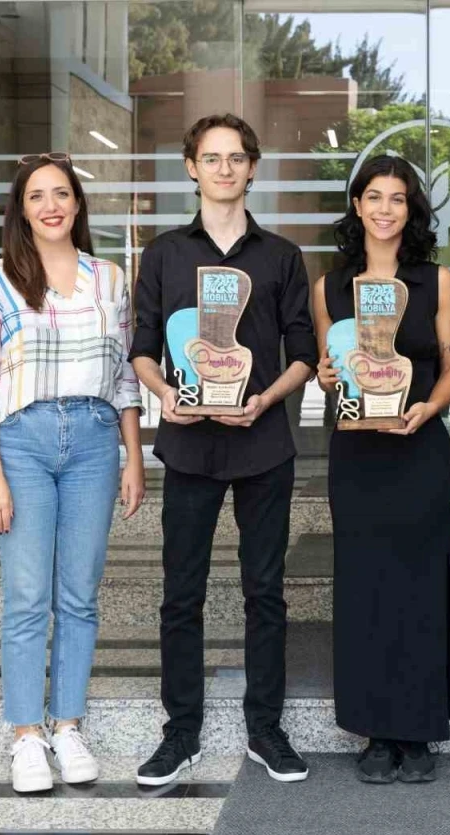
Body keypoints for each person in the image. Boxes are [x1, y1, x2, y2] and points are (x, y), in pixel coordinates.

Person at [130, 114, 315, 786]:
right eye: (211, 158)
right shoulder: (163, 254)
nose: (224, 168)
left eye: (236, 158)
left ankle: (266, 729)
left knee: (265, 592)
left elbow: (305, 354)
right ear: (192, 167)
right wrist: (163, 395)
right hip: (188, 443)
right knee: (181, 594)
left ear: (253, 168)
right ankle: (180, 733)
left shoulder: (281, 256)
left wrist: (266, 399)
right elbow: (143, 348)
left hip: (263, 443)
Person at [0, 153, 146, 793]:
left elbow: (125, 379)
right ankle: (25, 736)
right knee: (26, 595)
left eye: (61, 193)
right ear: (21, 209)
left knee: (78, 594)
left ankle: (67, 725)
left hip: (94, 442)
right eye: (37, 195)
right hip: (22, 443)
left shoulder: (109, 279)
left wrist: (133, 457)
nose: (51, 205)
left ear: (77, 204)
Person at [311, 155, 450, 784]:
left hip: (419, 447)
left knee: (422, 586)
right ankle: (375, 730)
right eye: (374, 196)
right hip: (357, 453)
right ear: (357, 205)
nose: (384, 209)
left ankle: (418, 728)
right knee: (364, 587)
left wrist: (431, 407)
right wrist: (325, 376)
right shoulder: (329, 286)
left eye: (397, 198)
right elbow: (329, 368)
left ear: (412, 209)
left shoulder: (437, 281)